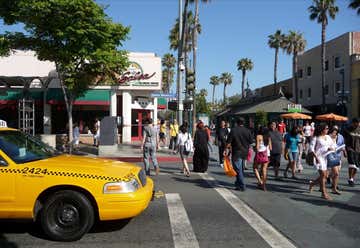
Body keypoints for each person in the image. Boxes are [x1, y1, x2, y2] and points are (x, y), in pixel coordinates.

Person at [224, 118, 253, 191]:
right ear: (244, 123)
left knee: (237, 169)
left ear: (236, 123)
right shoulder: (248, 131)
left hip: (237, 152)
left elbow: (228, 142)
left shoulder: (233, 130)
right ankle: (238, 184)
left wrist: (225, 150)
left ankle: (242, 185)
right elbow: (251, 141)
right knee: (241, 169)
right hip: (245, 152)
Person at [309, 123, 334, 200]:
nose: (327, 130)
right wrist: (316, 158)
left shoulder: (328, 137)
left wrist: (331, 148)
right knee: (323, 175)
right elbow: (311, 149)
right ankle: (323, 193)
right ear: (322, 129)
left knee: (325, 176)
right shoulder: (316, 137)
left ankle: (312, 183)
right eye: (326, 128)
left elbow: (332, 145)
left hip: (326, 157)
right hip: (318, 158)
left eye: (327, 128)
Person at [328, 126, 346, 194]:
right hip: (331, 156)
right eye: (334, 130)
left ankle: (333, 185)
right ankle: (334, 187)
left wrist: (344, 151)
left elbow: (343, 145)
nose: (335, 131)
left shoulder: (341, 136)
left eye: (336, 130)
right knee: (336, 173)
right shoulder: (328, 136)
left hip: (338, 156)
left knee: (336, 172)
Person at [253, 126, 272, 191]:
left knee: (255, 168)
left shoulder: (258, 136)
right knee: (264, 169)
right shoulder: (268, 137)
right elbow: (271, 148)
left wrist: (254, 148)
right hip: (265, 154)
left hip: (259, 153)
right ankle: (264, 185)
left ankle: (260, 181)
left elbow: (257, 147)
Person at [344, 118, 360, 186]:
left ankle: (352, 178)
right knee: (352, 164)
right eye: (356, 123)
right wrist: (345, 148)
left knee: (356, 166)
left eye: (359, 123)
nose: (358, 124)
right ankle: (350, 178)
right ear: (353, 123)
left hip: (358, 150)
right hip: (350, 149)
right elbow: (343, 139)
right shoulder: (347, 129)